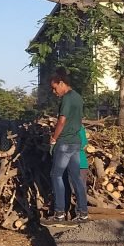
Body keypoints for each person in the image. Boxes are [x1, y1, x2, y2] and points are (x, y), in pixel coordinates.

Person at [43, 68, 88, 225]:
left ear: (61, 83)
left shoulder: (67, 99)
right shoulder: (78, 97)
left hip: (64, 143)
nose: (55, 92)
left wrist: (54, 138)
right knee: (76, 178)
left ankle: (59, 214)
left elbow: (62, 121)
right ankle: (83, 213)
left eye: (55, 88)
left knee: (56, 175)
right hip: (76, 142)